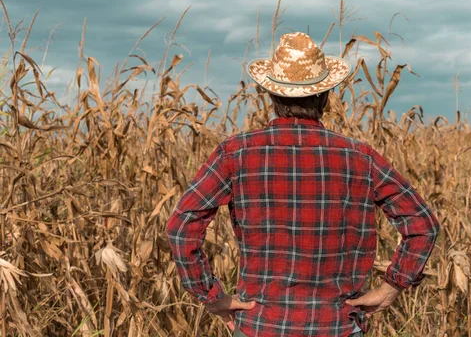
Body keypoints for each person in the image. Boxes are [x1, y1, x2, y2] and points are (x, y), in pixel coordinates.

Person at [166, 32, 441, 337]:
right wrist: (393, 286)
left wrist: (211, 296)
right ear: (325, 96)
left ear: (271, 95)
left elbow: (181, 227)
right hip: (337, 326)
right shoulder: (360, 157)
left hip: (260, 325)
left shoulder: (236, 152)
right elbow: (422, 223)